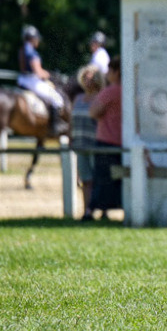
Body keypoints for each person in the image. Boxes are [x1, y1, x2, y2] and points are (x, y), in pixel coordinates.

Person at [16, 25, 68, 137]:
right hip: (32, 81)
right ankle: (54, 127)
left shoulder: (22, 50)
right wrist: (51, 75)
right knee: (57, 99)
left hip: (22, 80)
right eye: (37, 38)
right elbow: (38, 72)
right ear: (33, 38)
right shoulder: (32, 53)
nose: (38, 40)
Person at [88, 56, 122, 219]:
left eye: (110, 70)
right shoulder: (128, 90)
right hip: (122, 142)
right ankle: (106, 211)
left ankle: (91, 211)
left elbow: (93, 112)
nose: (107, 73)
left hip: (106, 140)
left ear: (116, 72)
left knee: (101, 178)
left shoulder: (110, 91)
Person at [71, 65, 104, 222]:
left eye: (90, 77)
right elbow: (72, 121)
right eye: (85, 77)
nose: (87, 80)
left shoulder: (100, 97)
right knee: (86, 179)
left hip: (95, 142)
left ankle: (101, 209)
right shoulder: (78, 99)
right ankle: (87, 211)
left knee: (98, 179)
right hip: (80, 143)